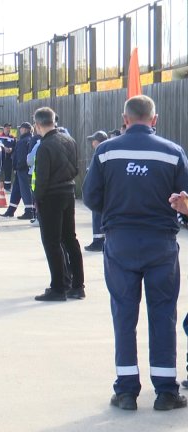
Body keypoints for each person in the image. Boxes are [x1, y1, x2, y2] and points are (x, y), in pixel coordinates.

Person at [86, 95, 188, 411]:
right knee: (163, 314)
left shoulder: (105, 151)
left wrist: (117, 215)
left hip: (120, 243)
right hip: (160, 243)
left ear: (125, 119)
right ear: (154, 119)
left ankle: (127, 390)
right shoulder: (173, 153)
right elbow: (184, 198)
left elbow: (91, 197)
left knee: (124, 315)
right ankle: (166, 391)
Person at [32, 107, 85, 301]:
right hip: (68, 191)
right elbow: (76, 168)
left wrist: (37, 198)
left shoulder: (44, 146)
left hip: (51, 196)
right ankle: (78, 285)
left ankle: (58, 288)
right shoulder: (69, 140)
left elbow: (42, 177)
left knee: (52, 242)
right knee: (70, 239)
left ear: (38, 125)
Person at [0, 122, 35, 220]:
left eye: (21, 128)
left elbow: (22, 156)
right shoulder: (28, 139)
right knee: (16, 190)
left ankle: (29, 211)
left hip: (22, 169)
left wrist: (17, 167)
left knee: (25, 190)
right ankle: (10, 210)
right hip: (21, 169)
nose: (20, 130)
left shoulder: (24, 141)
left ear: (26, 129)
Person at [84, 130, 108, 252]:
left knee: (97, 216)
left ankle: (98, 241)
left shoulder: (100, 152)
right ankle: (101, 240)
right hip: (106, 190)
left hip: (100, 191)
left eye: (93, 141)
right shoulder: (107, 152)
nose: (92, 143)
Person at [0, 123, 16, 191]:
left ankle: (7, 187)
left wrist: (11, 149)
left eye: (9, 128)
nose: (8, 129)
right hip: (1, 157)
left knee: (8, 172)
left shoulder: (12, 137)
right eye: (7, 128)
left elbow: (15, 146)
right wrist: (4, 148)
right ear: (4, 128)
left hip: (9, 158)